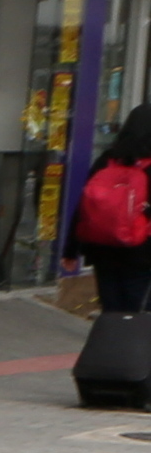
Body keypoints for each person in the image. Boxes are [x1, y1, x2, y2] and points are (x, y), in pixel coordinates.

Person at [73, 107, 151, 319]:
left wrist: (71, 250)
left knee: (111, 309)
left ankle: (111, 338)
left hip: (102, 248)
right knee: (137, 312)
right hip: (141, 252)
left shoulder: (107, 159)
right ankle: (131, 340)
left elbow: (84, 205)